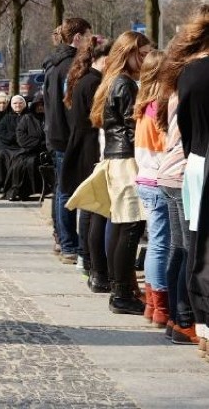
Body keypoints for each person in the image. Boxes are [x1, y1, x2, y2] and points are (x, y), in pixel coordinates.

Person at [89, 30, 152, 315]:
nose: (147, 59)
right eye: (143, 53)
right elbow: (131, 127)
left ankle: (119, 288)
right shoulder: (125, 84)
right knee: (130, 227)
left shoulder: (112, 81)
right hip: (126, 159)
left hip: (116, 158)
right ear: (129, 54)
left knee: (120, 225)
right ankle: (121, 293)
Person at [159, 5, 209, 347]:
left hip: (195, 163)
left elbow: (187, 127)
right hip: (197, 163)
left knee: (194, 245)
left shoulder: (188, 72)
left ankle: (195, 322)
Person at [43, 18, 92, 270]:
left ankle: (62, 240)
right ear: (77, 38)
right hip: (67, 136)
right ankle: (69, 244)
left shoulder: (53, 63)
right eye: (87, 37)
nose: (89, 42)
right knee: (68, 190)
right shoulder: (73, 65)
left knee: (61, 187)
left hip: (54, 133)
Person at [62, 36, 111, 286]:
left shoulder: (84, 79)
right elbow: (97, 118)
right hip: (90, 147)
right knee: (93, 209)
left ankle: (86, 258)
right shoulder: (93, 82)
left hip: (83, 145)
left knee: (90, 208)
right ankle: (89, 260)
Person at [133, 50, 171, 327]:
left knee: (155, 244)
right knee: (161, 246)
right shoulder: (160, 109)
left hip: (145, 179)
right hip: (159, 180)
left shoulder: (142, 105)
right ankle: (160, 306)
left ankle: (151, 303)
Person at [3, 93, 46, 202]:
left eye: (43, 105)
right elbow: (21, 135)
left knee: (31, 163)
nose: (40, 107)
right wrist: (37, 142)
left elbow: (50, 137)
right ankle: (16, 190)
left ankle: (29, 191)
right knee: (18, 164)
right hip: (28, 150)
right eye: (38, 105)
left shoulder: (49, 118)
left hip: (43, 151)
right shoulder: (27, 118)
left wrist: (41, 144)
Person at [0, 95, 26, 196]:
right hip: (8, 145)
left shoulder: (28, 116)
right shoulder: (7, 117)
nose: (17, 105)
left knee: (18, 158)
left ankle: (13, 185)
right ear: (11, 105)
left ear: (24, 104)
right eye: (15, 103)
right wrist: (14, 137)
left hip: (23, 147)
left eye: (20, 103)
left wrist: (20, 139)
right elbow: (1, 133)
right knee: (1, 155)